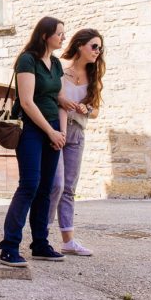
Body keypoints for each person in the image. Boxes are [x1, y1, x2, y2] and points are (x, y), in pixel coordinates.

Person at [0, 16, 75, 267]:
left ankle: (40, 244)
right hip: (32, 128)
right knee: (30, 185)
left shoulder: (55, 63)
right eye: (60, 33)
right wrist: (50, 132)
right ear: (45, 35)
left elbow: (59, 98)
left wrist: (60, 132)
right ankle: (9, 247)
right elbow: (28, 102)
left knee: (47, 188)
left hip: (53, 128)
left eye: (63, 33)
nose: (63, 37)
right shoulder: (27, 60)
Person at [48, 28, 105, 256]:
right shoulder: (60, 69)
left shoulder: (94, 77)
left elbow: (96, 111)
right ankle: (42, 234)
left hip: (77, 133)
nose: (97, 52)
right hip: (56, 130)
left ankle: (68, 241)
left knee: (69, 188)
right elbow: (51, 98)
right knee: (56, 185)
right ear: (80, 45)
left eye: (100, 48)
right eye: (94, 46)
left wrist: (86, 108)